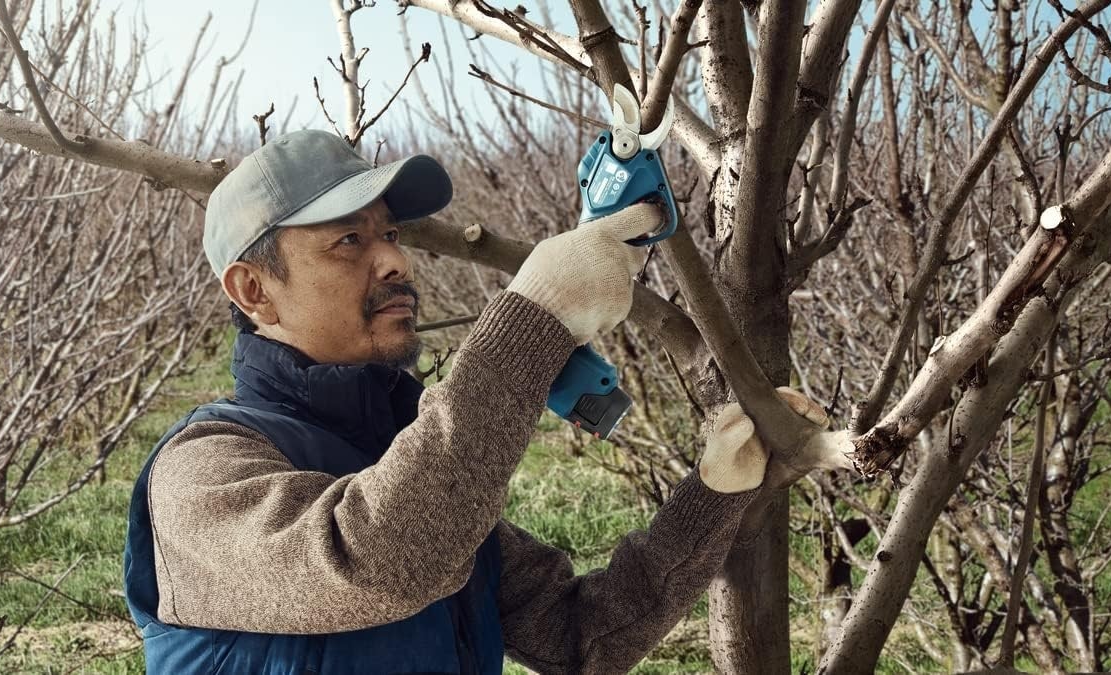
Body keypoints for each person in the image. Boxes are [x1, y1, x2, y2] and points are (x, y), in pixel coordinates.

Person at [123, 129, 829, 674]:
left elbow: (582, 638)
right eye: (348, 240)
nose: (395, 260)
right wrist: (532, 320)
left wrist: (712, 493)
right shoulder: (200, 474)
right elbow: (380, 558)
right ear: (253, 290)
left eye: (391, 235)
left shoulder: (406, 463)